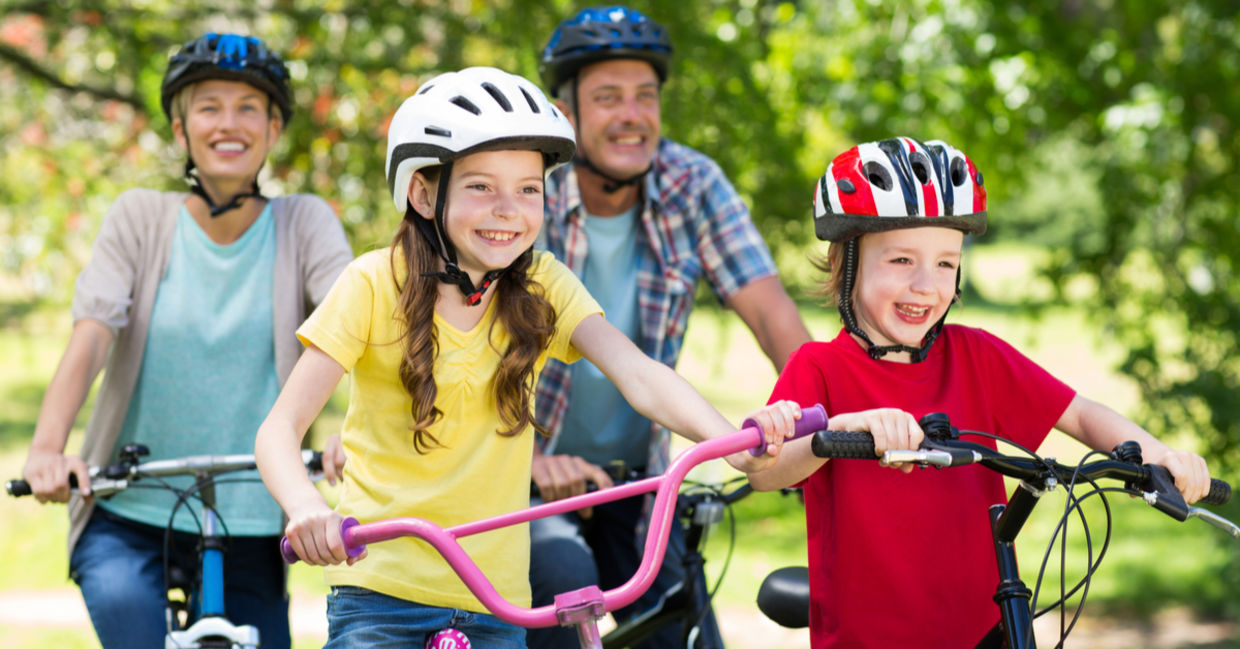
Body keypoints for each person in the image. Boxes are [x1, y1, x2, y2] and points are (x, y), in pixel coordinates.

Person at [253, 66, 799, 649]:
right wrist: (306, 506)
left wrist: (726, 439)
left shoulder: (541, 284)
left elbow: (638, 374)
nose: (508, 209)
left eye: (529, 189)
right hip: (381, 594)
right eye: (481, 187)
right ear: (422, 192)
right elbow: (279, 431)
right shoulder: (370, 284)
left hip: (497, 601)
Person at [747, 136, 1213, 648]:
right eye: (902, 260)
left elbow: (1079, 415)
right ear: (847, 263)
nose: (927, 285)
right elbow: (770, 468)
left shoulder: (977, 356)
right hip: (869, 637)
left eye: (946, 263)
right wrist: (840, 427)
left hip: (985, 627)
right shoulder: (820, 367)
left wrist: (1160, 455)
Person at [17, 32, 353, 649]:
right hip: (127, 508)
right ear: (180, 131)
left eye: (249, 107)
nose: (230, 123)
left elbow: (361, 330)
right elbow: (93, 333)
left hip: (253, 517)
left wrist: (355, 431)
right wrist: (47, 447)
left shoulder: (305, 223)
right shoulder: (140, 217)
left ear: (274, 129)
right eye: (208, 107)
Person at [528, 7, 814, 648]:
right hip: (524, 477)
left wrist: (831, 421)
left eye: (645, 96)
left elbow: (772, 315)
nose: (631, 114)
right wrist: (533, 457)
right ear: (565, 112)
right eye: (607, 98)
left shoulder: (693, 183)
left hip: (643, 476)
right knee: (563, 585)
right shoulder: (526, 193)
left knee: (682, 627)